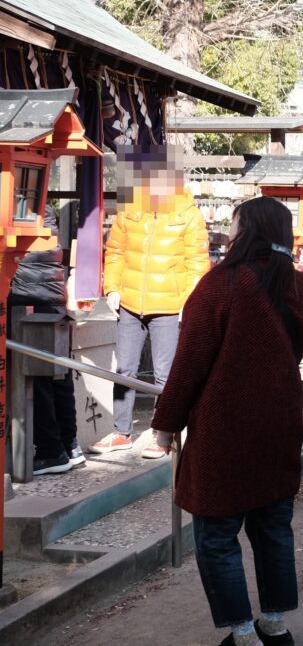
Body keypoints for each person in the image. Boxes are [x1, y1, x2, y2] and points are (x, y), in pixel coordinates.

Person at [150, 197, 303, 646]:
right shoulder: (300, 288)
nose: (227, 229)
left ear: (247, 229)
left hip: (224, 429)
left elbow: (189, 363)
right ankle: (275, 624)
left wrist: (165, 424)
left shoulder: (222, 285)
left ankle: (243, 632)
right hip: (279, 424)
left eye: (233, 221)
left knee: (216, 535)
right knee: (272, 529)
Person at [94, 144, 210, 458]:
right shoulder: (131, 207)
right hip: (130, 301)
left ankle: (164, 435)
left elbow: (197, 264)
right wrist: (112, 287)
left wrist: (190, 302)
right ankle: (121, 432)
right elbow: (114, 251)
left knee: (166, 373)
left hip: (170, 306)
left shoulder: (189, 214)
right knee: (125, 369)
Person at [12, 205, 83, 475]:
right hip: (52, 303)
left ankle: (51, 451)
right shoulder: (45, 211)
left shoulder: (17, 211)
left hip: (31, 305)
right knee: (58, 375)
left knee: (40, 379)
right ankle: (69, 445)